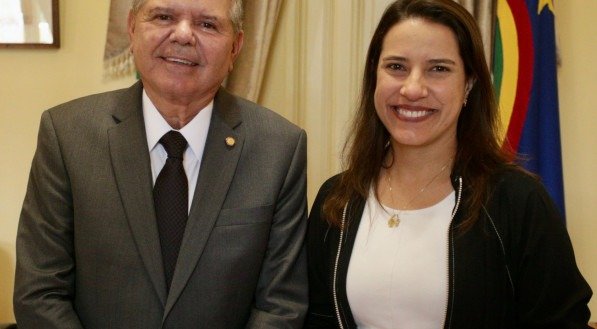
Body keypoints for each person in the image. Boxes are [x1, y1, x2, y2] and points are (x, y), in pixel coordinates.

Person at [14, 0, 308, 328]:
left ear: (236, 46)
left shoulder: (279, 147)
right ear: (131, 28)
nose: (183, 35)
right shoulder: (67, 135)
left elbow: (281, 304)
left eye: (208, 24)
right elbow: (40, 292)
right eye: (164, 16)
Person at [305, 0, 592, 328]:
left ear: (468, 83)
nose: (413, 88)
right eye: (396, 66)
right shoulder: (337, 198)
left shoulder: (518, 202)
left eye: (438, 68)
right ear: (374, 76)